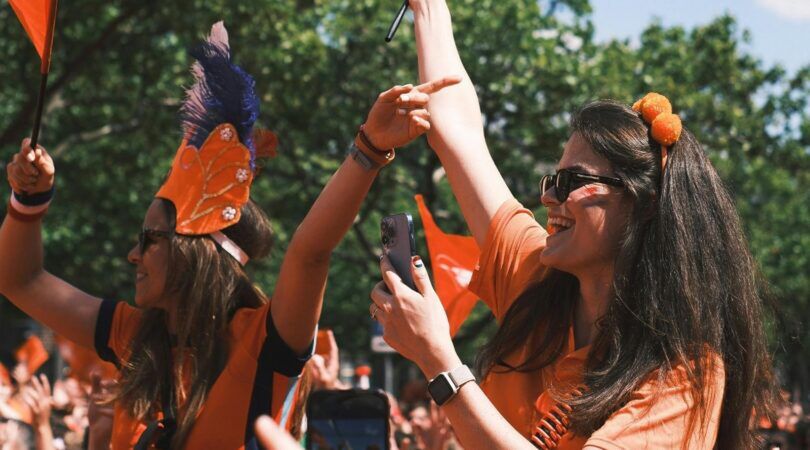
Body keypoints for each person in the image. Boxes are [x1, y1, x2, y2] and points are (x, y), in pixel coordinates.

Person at [0, 21, 458, 449]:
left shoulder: (263, 341)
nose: (131, 255)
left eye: (149, 239)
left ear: (195, 250)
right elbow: (20, 280)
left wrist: (370, 148)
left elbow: (311, 252)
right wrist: (28, 201)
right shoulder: (132, 334)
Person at [369, 1, 775, 449]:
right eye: (552, 180)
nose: (547, 197)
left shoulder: (685, 373)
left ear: (644, 206)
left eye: (571, 182)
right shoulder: (536, 275)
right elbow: (456, 131)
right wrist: (430, 9)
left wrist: (440, 363)